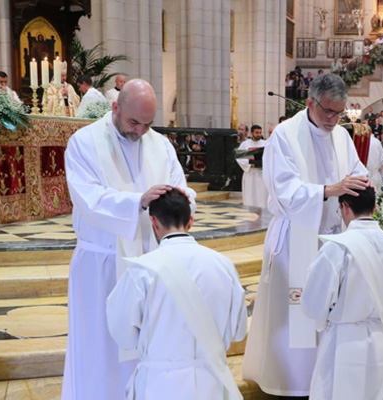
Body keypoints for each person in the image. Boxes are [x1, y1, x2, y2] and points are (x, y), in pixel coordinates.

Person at [63, 79, 197, 400]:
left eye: (147, 124)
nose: (139, 131)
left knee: (146, 347)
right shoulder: (84, 142)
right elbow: (88, 198)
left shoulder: (160, 144)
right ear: (115, 108)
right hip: (103, 266)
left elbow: (182, 187)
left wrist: (179, 200)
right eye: (133, 122)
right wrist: (137, 201)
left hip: (151, 262)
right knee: (101, 350)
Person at [242, 74, 369, 398]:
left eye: (339, 113)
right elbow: (284, 190)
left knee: (326, 314)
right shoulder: (284, 135)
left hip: (333, 238)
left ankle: (322, 380)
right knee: (295, 316)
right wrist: (329, 190)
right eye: (328, 111)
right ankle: (291, 383)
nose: (334, 120)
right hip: (296, 240)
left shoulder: (341, 136)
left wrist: (361, 184)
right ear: (310, 102)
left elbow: (357, 171)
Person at [106, 189, 247, 400]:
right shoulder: (223, 265)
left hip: (159, 386)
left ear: (154, 222)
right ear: (191, 221)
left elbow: (123, 335)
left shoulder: (142, 270)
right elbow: (238, 331)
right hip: (213, 383)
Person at [301, 187, 383, 400]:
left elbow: (312, 304)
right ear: (374, 208)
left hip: (343, 345)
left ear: (344, 207)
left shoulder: (336, 249)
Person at [236, 124, 268, 209]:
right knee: (250, 195)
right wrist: (250, 164)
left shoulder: (265, 144)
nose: (259, 134)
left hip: (261, 173)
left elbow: (269, 157)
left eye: (260, 132)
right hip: (250, 173)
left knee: (262, 195)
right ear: (251, 133)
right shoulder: (245, 144)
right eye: (256, 132)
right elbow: (239, 158)